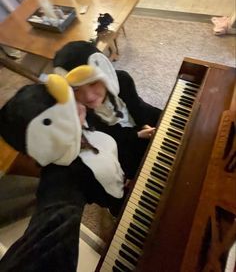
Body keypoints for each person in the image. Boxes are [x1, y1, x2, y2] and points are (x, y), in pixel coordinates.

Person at [0, 74, 125, 271]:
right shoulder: (61, 181)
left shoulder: (83, 119)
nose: (78, 105)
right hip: (106, 194)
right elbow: (49, 234)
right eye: (68, 114)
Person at [53, 41, 162, 180]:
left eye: (92, 83)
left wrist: (143, 123)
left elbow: (135, 105)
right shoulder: (80, 112)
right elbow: (108, 135)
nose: (88, 96)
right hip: (119, 139)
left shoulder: (122, 79)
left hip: (138, 117)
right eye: (75, 89)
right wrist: (138, 135)